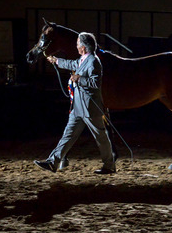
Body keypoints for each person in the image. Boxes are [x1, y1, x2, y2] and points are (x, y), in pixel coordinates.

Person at [34, 32, 116, 174]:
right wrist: (56, 61)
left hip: (90, 108)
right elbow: (71, 63)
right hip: (78, 107)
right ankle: (53, 162)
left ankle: (109, 166)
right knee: (68, 135)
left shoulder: (93, 61)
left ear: (83, 47)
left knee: (101, 138)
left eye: (78, 44)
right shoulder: (83, 59)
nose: (76, 46)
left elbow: (95, 83)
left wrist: (79, 78)